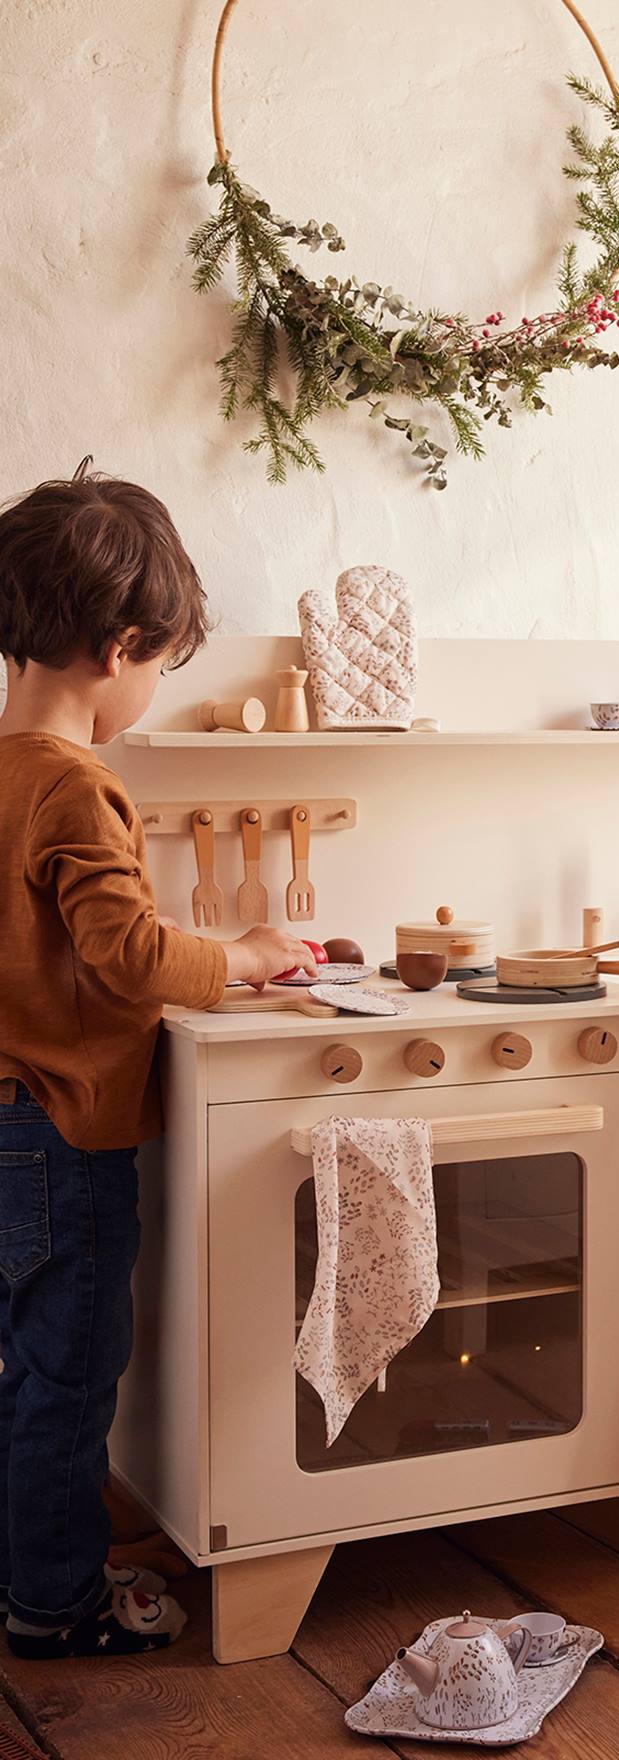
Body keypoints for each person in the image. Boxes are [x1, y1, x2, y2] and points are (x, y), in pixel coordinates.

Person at [0, 462, 316, 1657]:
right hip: (66, 1134)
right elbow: (130, 953)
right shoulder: (79, 786)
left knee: (20, 1373)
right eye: (155, 667)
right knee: (70, 1383)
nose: (144, 692)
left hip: (2, 1121)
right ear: (121, 644)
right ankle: (59, 1606)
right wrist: (243, 953)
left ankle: (21, 1569)